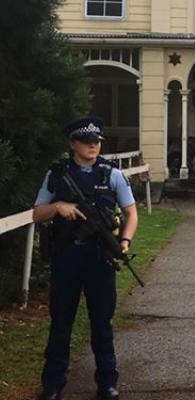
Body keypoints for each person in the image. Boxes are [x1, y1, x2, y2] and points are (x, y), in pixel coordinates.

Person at [33, 116, 138, 400]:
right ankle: (53, 384)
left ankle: (107, 382)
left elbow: (131, 212)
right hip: (67, 256)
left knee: (102, 322)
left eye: (97, 142)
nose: (93, 145)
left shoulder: (112, 174)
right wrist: (58, 207)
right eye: (86, 141)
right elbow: (37, 213)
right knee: (61, 321)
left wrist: (125, 241)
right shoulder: (56, 174)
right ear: (73, 144)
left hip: (100, 258)